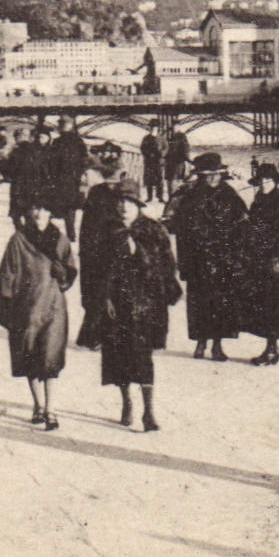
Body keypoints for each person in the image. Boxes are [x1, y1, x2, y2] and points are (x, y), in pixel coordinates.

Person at [99, 179, 181, 431]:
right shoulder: (108, 230)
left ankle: (148, 411)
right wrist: (105, 298)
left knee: (144, 356)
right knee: (118, 355)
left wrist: (139, 252)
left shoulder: (153, 230)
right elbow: (98, 269)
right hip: (117, 304)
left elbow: (167, 266)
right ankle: (126, 402)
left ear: (138, 205)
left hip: (147, 303)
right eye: (120, 202)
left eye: (129, 202)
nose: (124, 207)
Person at [0, 203, 76, 431]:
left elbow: (71, 268)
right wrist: (6, 304)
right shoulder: (18, 240)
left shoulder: (60, 239)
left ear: (51, 213)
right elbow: (7, 273)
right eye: (35, 209)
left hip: (53, 307)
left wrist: (64, 274)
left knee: (50, 357)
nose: (40, 214)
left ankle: (51, 409)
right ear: (28, 213)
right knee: (29, 355)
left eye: (45, 209)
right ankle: (38, 404)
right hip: (26, 308)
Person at [172, 153, 247, 361]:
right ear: (202, 176)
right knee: (199, 302)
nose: (214, 178)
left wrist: (236, 254)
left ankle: (217, 345)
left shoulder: (230, 195)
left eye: (217, 174)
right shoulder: (191, 197)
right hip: (198, 259)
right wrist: (184, 263)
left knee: (221, 303)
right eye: (209, 175)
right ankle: (201, 342)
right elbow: (182, 232)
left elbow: (242, 224)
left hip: (224, 259)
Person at [74, 145, 127, 350]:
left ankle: (100, 336)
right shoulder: (100, 194)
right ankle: (96, 336)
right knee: (99, 292)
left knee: (109, 292)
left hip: (107, 248)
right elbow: (89, 226)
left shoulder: (108, 193)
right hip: (98, 249)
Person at [240, 163, 279, 366]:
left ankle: (272, 348)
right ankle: (270, 347)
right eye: (261, 181)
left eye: (268, 181)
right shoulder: (258, 202)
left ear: (275, 182)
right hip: (260, 259)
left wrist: (256, 239)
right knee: (262, 304)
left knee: (272, 304)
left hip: (273, 260)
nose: (264, 184)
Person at [48, 118, 89, 241]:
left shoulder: (78, 141)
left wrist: (82, 173)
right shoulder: (57, 141)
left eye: (66, 124)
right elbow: (51, 160)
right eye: (61, 124)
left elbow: (84, 159)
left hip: (73, 178)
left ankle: (71, 235)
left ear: (72, 125)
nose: (63, 126)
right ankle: (55, 235)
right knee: (58, 207)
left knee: (70, 207)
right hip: (59, 178)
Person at [140, 123, 165, 203]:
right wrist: (148, 154)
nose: (154, 130)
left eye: (155, 128)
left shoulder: (162, 138)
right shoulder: (146, 138)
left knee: (159, 179)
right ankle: (149, 197)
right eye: (152, 128)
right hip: (149, 161)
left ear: (157, 129)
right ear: (150, 129)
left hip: (158, 162)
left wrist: (161, 153)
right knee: (149, 179)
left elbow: (166, 148)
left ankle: (160, 197)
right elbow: (142, 148)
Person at [163, 127, 190, 195]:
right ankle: (171, 196)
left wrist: (186, 160)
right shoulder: (168, 135)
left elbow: (186, 149)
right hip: (169, 163)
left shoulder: (181, 136)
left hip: (177, 163)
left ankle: (173, 196)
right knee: (169, 181)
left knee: (174, 181)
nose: (174, 128)